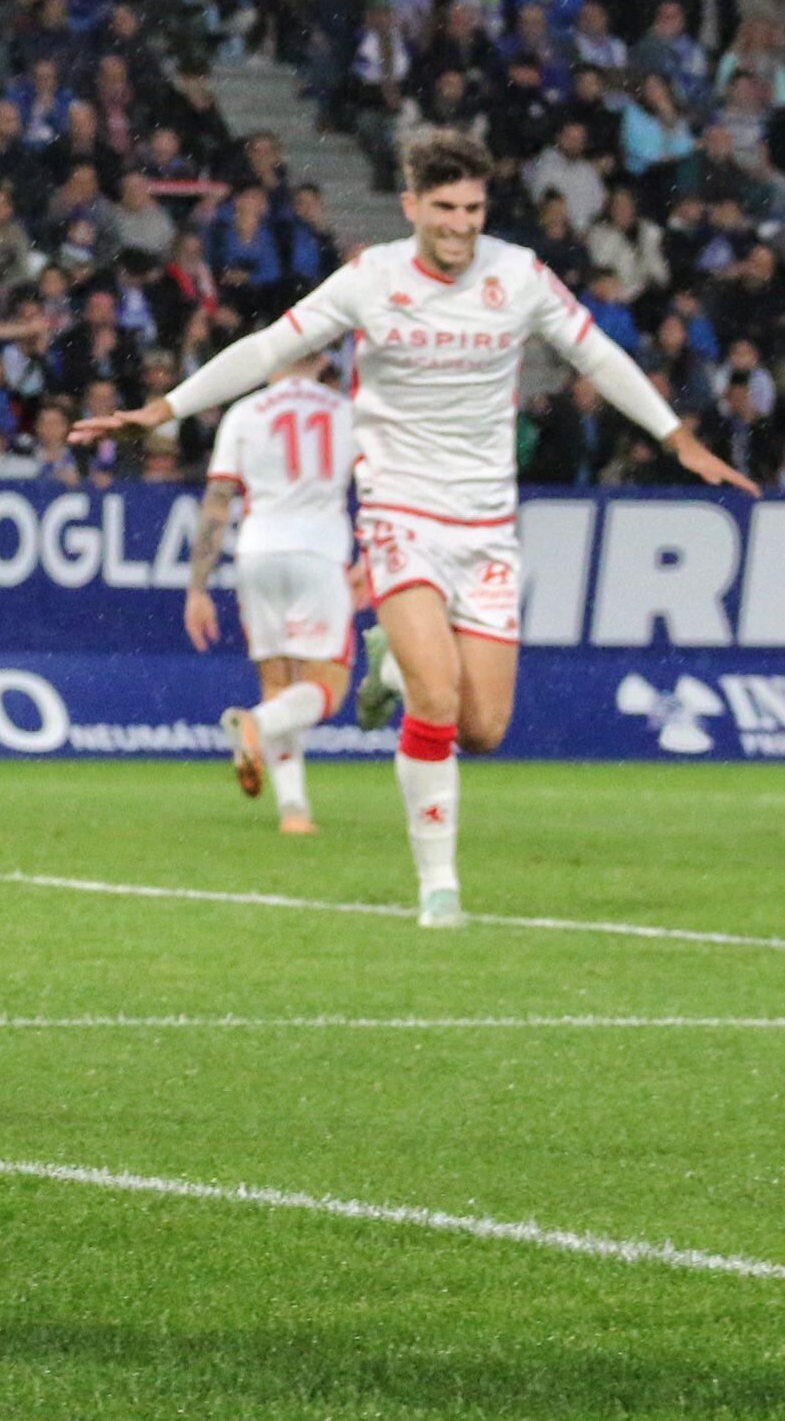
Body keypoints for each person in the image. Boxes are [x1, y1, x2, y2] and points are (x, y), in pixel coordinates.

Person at [75, 129, 757, 928]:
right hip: (400, 514)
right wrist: (166, 407)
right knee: (437, 701)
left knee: (485, 727)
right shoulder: (372, 279)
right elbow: (268, 348)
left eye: (472, 208)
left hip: (488, 527)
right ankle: (440, 888)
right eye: (444, 208)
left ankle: (389, 667)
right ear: (411, 207)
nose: (461, 224)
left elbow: (597, 354)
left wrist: (675, 436)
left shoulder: (519, 275)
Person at [186, 355, 356, 835]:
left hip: (258, 551)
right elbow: (379, 487)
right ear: (322, 358)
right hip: (319, 551)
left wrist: (197, 587)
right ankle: (254, 724)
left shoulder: (245, 412)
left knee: (279, 684)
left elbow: (218, 501)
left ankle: (295, 811)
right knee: (327, 688)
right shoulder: (346, 411)